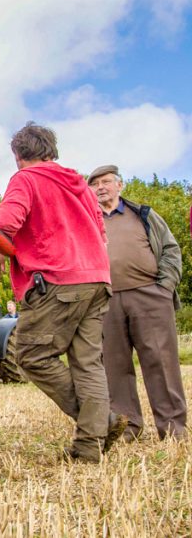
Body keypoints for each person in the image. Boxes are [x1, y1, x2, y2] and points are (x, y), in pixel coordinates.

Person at [0, 123, 125, 462]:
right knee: (88, 363)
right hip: (97, 278)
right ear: (51, 150)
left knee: (32, 355)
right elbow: (101, 232)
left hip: (57, 279)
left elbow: (3, 225)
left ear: (18, 156)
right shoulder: (79, 185)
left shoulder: (26, 179)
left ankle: (99, 423)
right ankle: (89, 448)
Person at [88, 165, 186, 440]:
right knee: (114, 367)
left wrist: (164, 287)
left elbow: (170, 249)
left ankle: (173, 429)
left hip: (149, 296)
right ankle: (127, 428)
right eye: (94, 184)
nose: (101, 187)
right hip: (105, 300)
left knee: (161, 363)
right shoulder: (87, 221)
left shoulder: (143, 214)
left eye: (106, 181)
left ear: (120, 185)